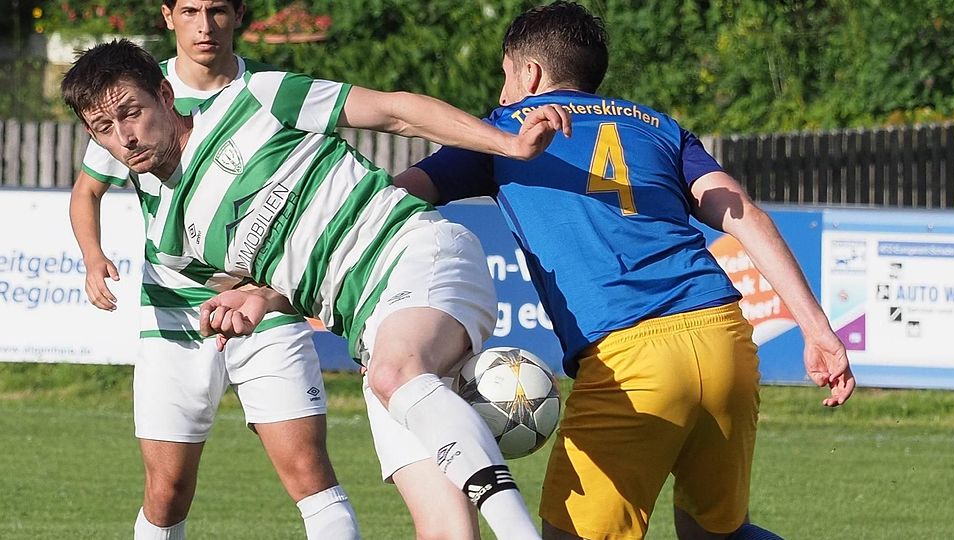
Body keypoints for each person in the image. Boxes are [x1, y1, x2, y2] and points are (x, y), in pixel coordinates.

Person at [61, 38, 570, 540]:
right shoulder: (172, 239)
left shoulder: (254, 97)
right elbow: (297, 274)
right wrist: (258, 299)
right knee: (443, 526)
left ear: (165, 96)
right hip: (368, 329)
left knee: (397, 372)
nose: (124, 137)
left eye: (131, 112)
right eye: (104, 128)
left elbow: (395, 113)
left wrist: (506, 143)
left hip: (413, 252)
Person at [391, 2, 857, 539]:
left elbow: (398, 196)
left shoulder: (501, 131)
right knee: (719, 534)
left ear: (530, 74)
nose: (501, 94)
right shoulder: (656, 126)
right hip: (725, 338)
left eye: (505, 76)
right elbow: (742, 214)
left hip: (632, 359)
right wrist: (818, 331)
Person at [69, 1, 360, 538]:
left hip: (264, 303)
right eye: (190, 11)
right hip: (174, 317)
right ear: (167, 16)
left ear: (238, 13)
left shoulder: (265, 93)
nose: (204, 26)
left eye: (217, 10)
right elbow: (86, 191)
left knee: (311, 477)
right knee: (166, 492)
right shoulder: (128, 101)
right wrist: (93, 258)